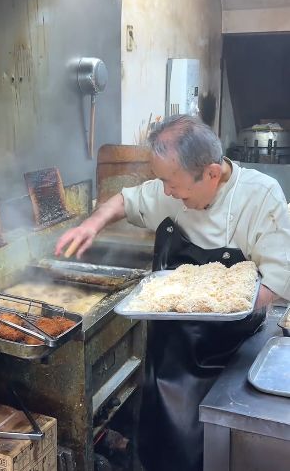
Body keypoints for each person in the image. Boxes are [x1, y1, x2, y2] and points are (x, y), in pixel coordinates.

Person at [55, 115, 290, 471]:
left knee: (208, 451)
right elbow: (126, 200)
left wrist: (221, 307)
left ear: (212, 173)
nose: (164, 191)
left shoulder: (261, 197)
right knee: (160, 442)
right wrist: (91, 224)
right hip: (168, 347)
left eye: (171, 183)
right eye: (162, 180)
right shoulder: (173, 189)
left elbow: (274, 279)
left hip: (226, 351)